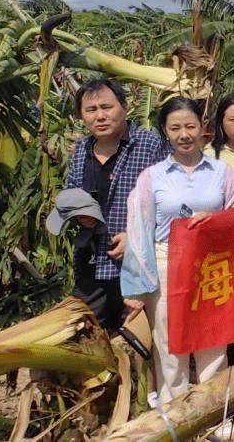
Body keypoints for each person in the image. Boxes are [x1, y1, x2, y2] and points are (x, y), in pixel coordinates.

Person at [123, 97, 234, 404]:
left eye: (190, 126)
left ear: (203, 127)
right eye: (175, 128)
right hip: (167, 262)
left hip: (212, 262)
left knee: (212, 341)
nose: (184, 134)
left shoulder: (222, 172)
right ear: (165, 131)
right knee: (169, 342)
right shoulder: (152, 177)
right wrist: (137, 286)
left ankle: (213, 411)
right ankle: (173, 412)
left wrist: (215, 221)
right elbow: (139, 229)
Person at [62, 78, 170, 333]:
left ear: (124, 107)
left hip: (138, 270)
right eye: (91, 110)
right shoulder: (82, 149)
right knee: (86, 336)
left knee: (137, 342)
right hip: (91, 265)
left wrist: (136, 239)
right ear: (81, 116)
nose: (100, 116)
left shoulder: (152, 146)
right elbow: (69, 193)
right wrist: (78, 215)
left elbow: (171, 204)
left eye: (106, 107)